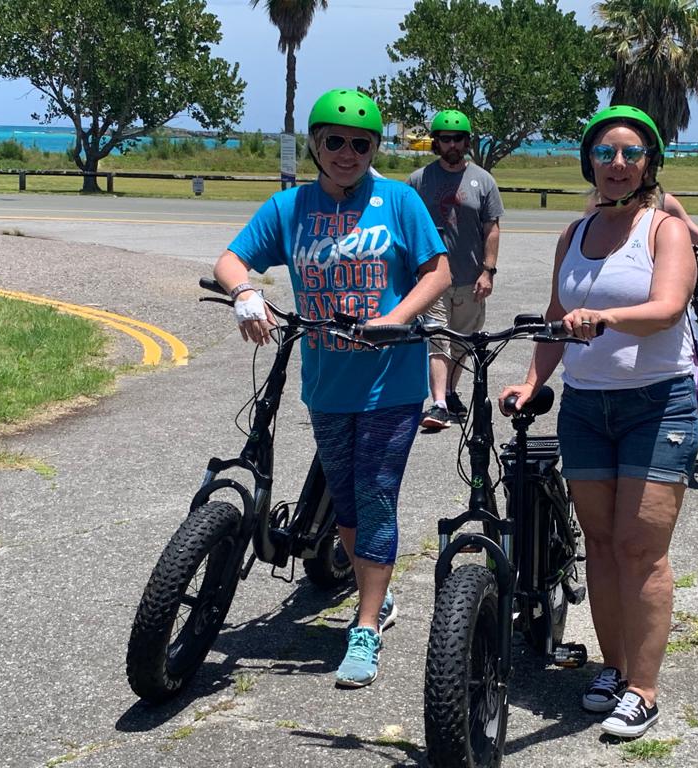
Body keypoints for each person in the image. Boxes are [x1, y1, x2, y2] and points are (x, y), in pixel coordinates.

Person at [213, 88, 450, 688]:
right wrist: (245, 292)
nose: (347, 152)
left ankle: (365, 626)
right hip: (325, 381)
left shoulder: (398, 200)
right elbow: (233, 259)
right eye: (334, 142)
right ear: (317, 145)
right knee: (343, 501)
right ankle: (378, 593)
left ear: (374, 148)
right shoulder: (290, 207)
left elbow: (438, 273)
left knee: (373, 495)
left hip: (391, 379)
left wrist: (397, 320)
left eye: (360, 143)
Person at [500, 106, 698, 738]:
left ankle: (644, 687)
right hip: (587, 405)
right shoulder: (573, 232)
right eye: (605, 152)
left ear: (649, 165)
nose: (617, 164)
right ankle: (614, 670)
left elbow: (668, 308)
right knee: (603, 544)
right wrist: (534, 382)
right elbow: (558, 317)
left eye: (630, 154)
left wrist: (605, 319)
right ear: (589, 160)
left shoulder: (663, 229)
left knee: (641, 549)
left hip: (657, 401)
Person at [407, 109, 504, 429]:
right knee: (438, 338)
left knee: (462, 341)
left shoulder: (483, 180)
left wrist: (488, 271)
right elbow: (406, 224)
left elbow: (491, 228)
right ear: (435, 142)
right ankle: (437, 403)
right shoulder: (419, 180)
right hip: (431, 277)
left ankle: (449, 392)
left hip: (470, 277)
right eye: (445, 139)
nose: (452, 145)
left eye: (458, 139)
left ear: (467, 142)